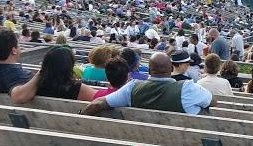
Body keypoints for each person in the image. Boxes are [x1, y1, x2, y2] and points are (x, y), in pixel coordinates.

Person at [81, 52, 216, 116]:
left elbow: (98, 103)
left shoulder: (132, 88)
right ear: (171, 69)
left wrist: (81, 117)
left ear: (149, 71)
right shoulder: (188, 88)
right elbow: (213, 102)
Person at [12, 45, 97, 102]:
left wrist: (41, 73)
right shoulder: (78, 88)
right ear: (69, 66)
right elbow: (101, 99)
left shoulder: (34, 87)